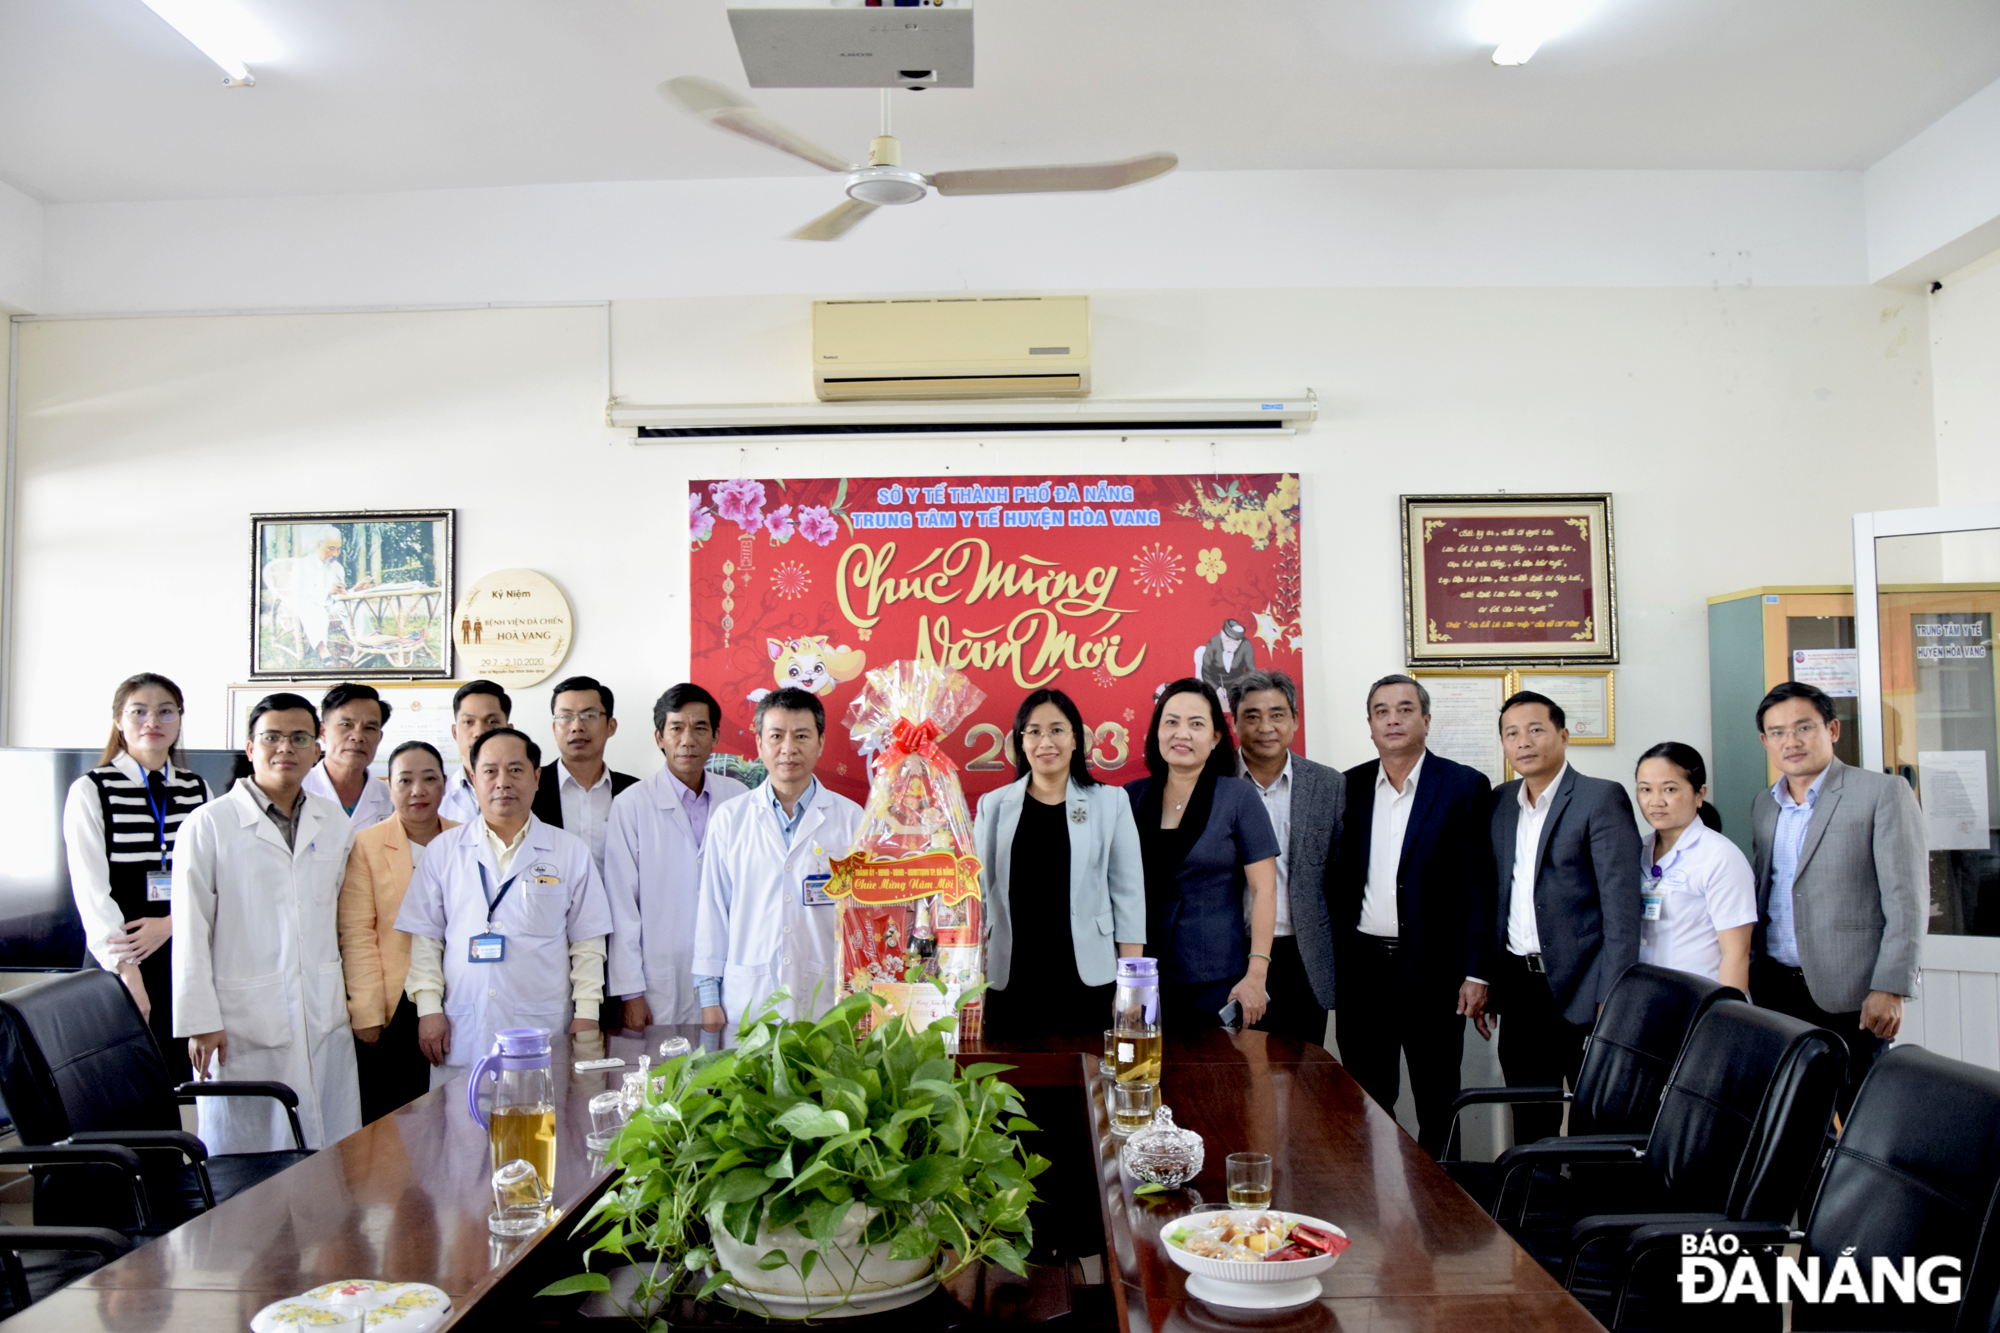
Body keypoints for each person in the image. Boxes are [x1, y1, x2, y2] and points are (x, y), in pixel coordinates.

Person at [171, 693, 361, 1153]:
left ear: (317, 748)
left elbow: (341, 916)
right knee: (250, 1159)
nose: (285, 748)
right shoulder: (208, 824)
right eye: (271, 737)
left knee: (328, 1160)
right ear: (250, 747)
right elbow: (192, 930)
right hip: (242, 1020)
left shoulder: (331, 819)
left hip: (321, 1010)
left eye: (299, 738)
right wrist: (200, 1021)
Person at [396, 727, 612, 1086]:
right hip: (462, 1026)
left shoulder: (569, 852)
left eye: (515, 770)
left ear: (536, 777)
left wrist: (587, 1013)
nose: (502, 782)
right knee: (461, 1133)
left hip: (541, 1024)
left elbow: (587, 942)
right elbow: (425, 940)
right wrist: (429, 1010)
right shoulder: (444, 851)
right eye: (490, 771)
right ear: (471, 778)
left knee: (539, 1129)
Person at [1335, 673, 1496, 1155]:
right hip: (1364, 970)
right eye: (1382, 711)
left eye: (1405, 709)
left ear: (1426, 719)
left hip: (1435, 970)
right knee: (1366, 1097)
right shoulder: (1351, 785)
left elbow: (1478, 886)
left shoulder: (1464, 785)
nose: (1393, 719)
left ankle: (1446, 1216)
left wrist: (1477, 971)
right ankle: (1369, 1207)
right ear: (1369, 725)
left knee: (1438, 1098)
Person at [1750, 681, 1926, 1114]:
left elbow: (1907, 899)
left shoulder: (1882, 794)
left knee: (1863, 1116)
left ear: (1831, 729)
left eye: (1803, 727)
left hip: (1851, 992)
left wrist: (1890, 987)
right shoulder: (1764, 804)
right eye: (1777, 732)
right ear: (1764, 741)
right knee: (1793, 1116)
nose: (1790, 741)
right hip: (1775, 987)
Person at [1487, 690, 1640, 1144]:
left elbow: (1622, 909)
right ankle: (1532, 1213)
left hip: (1585, 988)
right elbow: (1499, 898)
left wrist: (1612, 993)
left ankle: (1593, 1213)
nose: (1523, 742)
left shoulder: (1599, 798)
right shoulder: (1500, 802)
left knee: (1595, 1121)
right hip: (1520, 988)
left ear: (1564, 735)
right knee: (1530, 1118)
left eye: (1536, 730)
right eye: (1511, 734)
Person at [63, 672, 212, 1085]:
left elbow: (213, 879)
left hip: (180, 951)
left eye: (166, 712)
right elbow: (91, 891)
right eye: (139, 711)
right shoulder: (91, 789)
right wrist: (126, 969)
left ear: (179, 720)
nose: (153, 721)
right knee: (119, 1082)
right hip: (118, 952)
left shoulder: (196, 789)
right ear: (118, 721)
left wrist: (170, 925)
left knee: (177, 1081)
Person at [973, 688, 1146, 1037]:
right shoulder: (993, 806)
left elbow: (1129, 897)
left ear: (1075, 739)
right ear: (1020, 742)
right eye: (1033, 731)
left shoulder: (1110, 803)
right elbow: (976, 898)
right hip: (1010, 979)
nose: (1045, 741)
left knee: (1091, 1084)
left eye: (1056, 729)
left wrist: (1131, 985)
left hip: (1087, 980)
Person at [693, 687, 865, 1031]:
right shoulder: (730, 819)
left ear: (820, 742)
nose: (788, 748)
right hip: (749, 1001)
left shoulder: (852, 819)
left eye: (801, 735)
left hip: (826, 1000)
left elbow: (860, 919)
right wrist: (709, 998)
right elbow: (712, 909)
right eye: (776, 736)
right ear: (759, 743)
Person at [1124, 677, 1280, 1030]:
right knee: (1145, 1079)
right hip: (1143, 977)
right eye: (1171, 722)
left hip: (1217, 979)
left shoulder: (1238, 796)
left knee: (1217, 1081)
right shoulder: (1130, 798)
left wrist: (1257, 974)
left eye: (1196, 724)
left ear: (1215, 737)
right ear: (1157, 732)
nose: (1182, 733)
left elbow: (1265, 890)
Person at [606, 684, 751, 1030]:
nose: (688, 739)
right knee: (663, 1076)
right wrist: (630, 993)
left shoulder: (740, 799)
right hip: (659, 983)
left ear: (716, 736)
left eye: (700, 728)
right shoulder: (631, 805)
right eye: (676, 728)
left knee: (729, 1076)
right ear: (660, 737)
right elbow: (621, 905)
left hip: (729, 974)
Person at [339, 740, 459, 1123]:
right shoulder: (366, 845)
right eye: (404, 780)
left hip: (458, 996)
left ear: (445, 785)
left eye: (429, 779)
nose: (417, 791)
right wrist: (367, 1011)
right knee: (394, 1123)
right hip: (395, 1006)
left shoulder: (467, 839)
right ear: (388, 786)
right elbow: (357, 933)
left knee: (451, 1113)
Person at [1231, 670, 1342, 1046]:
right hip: (1231, 954)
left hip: (1303, 956)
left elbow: (1339, 878)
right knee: (1235, 1078)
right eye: (1252, 716)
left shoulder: (1329, 785)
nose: (1266, 726)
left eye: (1277, 714)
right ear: (1234, 723)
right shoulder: (1215, 783)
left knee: (1303, 1081)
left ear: (1295, 720)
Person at [1634, 742, 1754, 993]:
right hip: (1646, 997)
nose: (1656, 801)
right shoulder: (1636, 850)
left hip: (1701, 1003)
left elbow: (1736, 954)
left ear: (1699, 794)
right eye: (1645, 789)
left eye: (1669, 789)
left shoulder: (1720, 856)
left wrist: (1726, 1020)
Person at [531, 675, 638, 877]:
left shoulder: (634, 791)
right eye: (566, 717)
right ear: (554, 728)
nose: (577, 726)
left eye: (589, 716)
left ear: (611, 726)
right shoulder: (529, 787)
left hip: (615, 907)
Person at [263, 525, 371, 666]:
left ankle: (364, 641)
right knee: (313, 607)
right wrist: (327, 591)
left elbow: (339, 594)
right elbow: (298, 593)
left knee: (352, 603)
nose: (335, 554)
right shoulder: (302, 566)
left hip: (330, 605)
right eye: (331, 548)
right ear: (318, 545)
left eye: (338, 549)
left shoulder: (337, 567)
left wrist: (354, 590)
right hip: (306, 605)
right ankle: (322, 649)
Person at [302, 681, 395, 832]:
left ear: (379, 737)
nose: (358, 737)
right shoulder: (297, 790)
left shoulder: (391, 798)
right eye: (346, 725)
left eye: (369, 728)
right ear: (322, 732)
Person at [439, 679, 511, 825]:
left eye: (491, 722)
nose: (479, 732)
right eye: (468, 722)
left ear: (509, 732)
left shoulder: (533, 791)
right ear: (454, 733)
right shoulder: (437, 796)